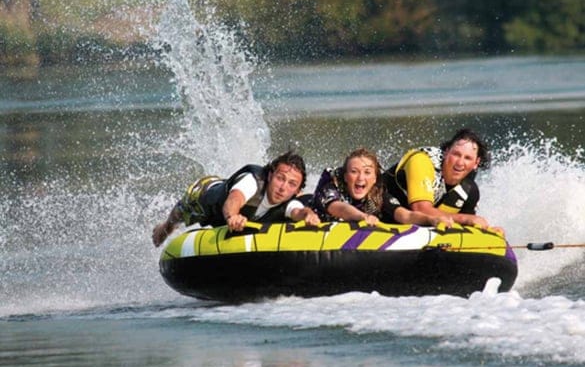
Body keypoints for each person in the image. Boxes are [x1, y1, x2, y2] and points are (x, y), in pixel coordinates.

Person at [152, 151, 321, 247]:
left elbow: (298, 211)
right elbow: (235, 199)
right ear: (270, 175)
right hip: (205, 196)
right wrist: (233, 216)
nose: (283, 188)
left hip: (227, 214)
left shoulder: (290, 201)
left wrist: (308, 215)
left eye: (292, 184)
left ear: (298, 190)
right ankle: (164, 227)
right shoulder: (253, 181)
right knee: (176, 219)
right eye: (280, 178)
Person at [382, 128, 496, 230]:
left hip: (420, 221)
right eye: (456, 154)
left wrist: (486, 230)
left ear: (476, 163)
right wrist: (465, 219)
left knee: (469, 193)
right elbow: (420, 209)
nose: (460, 163)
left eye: (467, 158)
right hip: (383, 208)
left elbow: (469, 224)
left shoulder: (469, 189)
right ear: (446, 152)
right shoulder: (421, 161)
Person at [311, 147, 453, 227]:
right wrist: (362, 217)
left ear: (374, 179)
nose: (361, 178)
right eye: (354, 172)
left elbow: (405, 215)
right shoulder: (331, 187)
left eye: (367, 173)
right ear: (346, 176)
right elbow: (339, 208)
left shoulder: (377, 194)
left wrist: (431, 220)